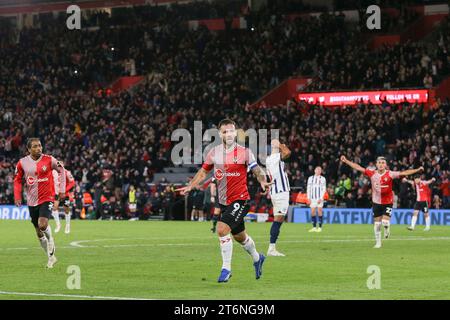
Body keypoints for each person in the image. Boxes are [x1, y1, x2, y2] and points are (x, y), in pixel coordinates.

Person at [177, 119, 271, 283]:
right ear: (220, 134)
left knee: (221, 230)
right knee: (240, 237)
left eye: (231, 131)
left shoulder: (245, 152)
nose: (228, 134)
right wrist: (191, 186)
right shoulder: (214, 153)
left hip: (241, 200)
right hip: (224, 202)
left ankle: (226, 269)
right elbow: (202, 172)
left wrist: (262, 180)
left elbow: (256, 169)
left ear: (236, 132)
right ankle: (258, 258)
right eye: (225, 131)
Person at [340, 155, 423, 248]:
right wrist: (346, 161)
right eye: (379, 163)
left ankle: (387, 229)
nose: (381, 164)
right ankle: (378, 243)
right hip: (376, 202)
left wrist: (416, 170)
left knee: (385, 222)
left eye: (383, 163)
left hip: (388, 202)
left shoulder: (390, 174)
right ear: (376, 164)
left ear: (386, 165)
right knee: (377, 224)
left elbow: (404, 172)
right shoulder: (372, 173)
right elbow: (358, 167)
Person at [13, 138, 66, 268]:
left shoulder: (49, 159)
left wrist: (62, 190)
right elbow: (17, 180)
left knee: (42, 225)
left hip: (47, 198)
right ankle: (51, 257)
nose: (39, 148)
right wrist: (17, 196)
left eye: (40, 146)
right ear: (29, 149)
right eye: (35, 146)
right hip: (31, 201)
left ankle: (51, 240)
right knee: (38, 231)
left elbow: (62, 170)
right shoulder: (22, 163)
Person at [265, 139, 291, 256]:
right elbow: (288, 153)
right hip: (281, 192)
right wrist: (281, 145)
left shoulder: (268, 159)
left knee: (278, 220)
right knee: (278, 220)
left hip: (275, 192)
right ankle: (271, 248)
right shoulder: (275, 157)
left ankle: (272, 247)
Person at [52, 163, 76, 234]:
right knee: (54, 208)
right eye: (58, 166)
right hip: (57, 193)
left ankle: (67, 225)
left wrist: (64, 190)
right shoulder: (54, 173)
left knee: (66, 210)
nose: (59, 167)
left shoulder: (67, 173)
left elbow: (72, 183)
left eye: (60, 166)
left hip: (65, 194)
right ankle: (58, 225)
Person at [307, 166, 327, 232]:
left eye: (320, 170)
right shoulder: (310, 178)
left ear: (321, 171)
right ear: (314, 170)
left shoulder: (323, 179)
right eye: (317, 169)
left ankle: (320, 227)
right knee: (312, 212)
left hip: (319, 198)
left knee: (319, 211)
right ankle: (314, 227)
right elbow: (308, 188)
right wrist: (308, 198)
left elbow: (324, 189)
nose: (318, 171)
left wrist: (321, 198)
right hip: (312, 198)